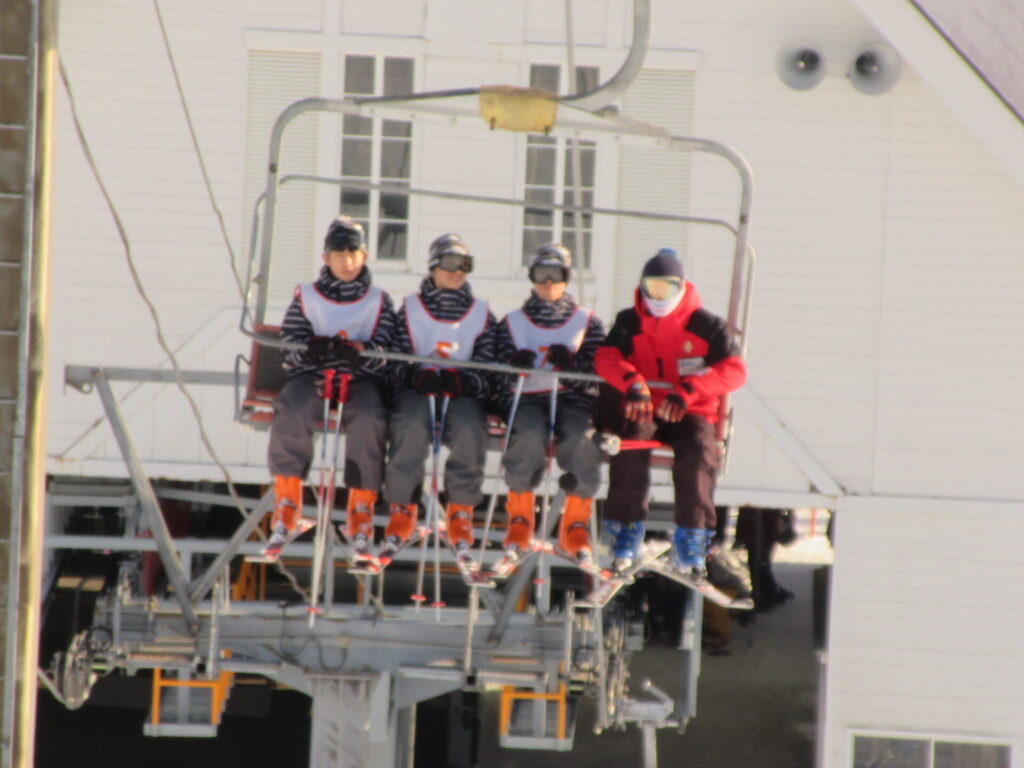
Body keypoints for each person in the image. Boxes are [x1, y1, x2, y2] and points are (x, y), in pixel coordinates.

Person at [594, 248, 746, 575]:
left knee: (699, 451)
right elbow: (606, 358)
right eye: (653, 288)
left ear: (682, 287)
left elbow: (734, 370)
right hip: (645, 406)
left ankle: (692, 538)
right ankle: (625, 531)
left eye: (667, 288)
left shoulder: (706, 325)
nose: (659, 297)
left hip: (688, 410)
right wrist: (633, 383)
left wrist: (690, 390)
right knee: (630, 443)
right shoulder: (629, 322)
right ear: (642, 287)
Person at [265, 216, 396, 558]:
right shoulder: (307, 296)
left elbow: (388, 351)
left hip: (359, 378)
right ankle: (287, 501)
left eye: (353, 254)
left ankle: (361, 508)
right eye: (339, 254)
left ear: (364, 256)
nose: (347, 262)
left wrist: (362, 353)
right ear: (326, 258)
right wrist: (312, 350)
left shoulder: (378, 300)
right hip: (314, 374)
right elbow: (289, 348)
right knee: (293, 410)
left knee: (369, 418)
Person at [382, 233, 499, 558]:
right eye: (450, 263)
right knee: (409, 423)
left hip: (460, 391)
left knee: (470, 428)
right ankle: (402, 507)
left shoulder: (481, 313)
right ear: (434, 266)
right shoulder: (410, 309)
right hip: (418, 389)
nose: (458, 271)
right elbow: (394, 358)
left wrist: (466, 381)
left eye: (465, 265)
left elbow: (490, 366)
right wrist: (413, 375)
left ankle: (461, 510)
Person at [493, 243, 606, 565]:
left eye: (556, 274)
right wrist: (514, 366)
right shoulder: (513, 323)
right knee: (528, 434)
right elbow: (495, 375)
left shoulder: (587, 322)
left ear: (567, 277)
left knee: (580, 440)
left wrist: (572, 366)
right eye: (541, 273)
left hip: (572, 398)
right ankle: (520, 519)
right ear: (531, 277)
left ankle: (576, 524)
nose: (548, 282)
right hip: (527, 397)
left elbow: (598, 376)